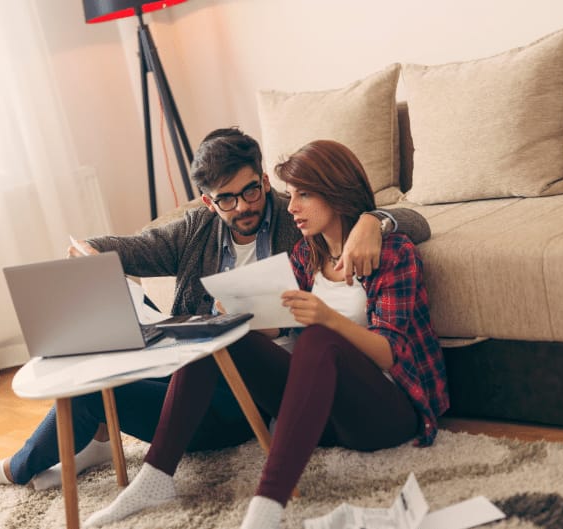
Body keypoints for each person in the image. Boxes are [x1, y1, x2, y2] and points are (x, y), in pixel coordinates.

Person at [0, 129, 431, 491]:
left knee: (230, 350)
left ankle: (104, 448)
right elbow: (127, 246)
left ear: (264, 181)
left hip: (262, 384)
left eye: (251, 191)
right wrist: (87, 252)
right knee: (93, 388)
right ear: (207, 200)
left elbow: (406, 218)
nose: (243, 206)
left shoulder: (295, 218)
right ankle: (19, 469)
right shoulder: (195, 230)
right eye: (226, 199)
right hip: (203, 374)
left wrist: (374, 219)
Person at [82, 139, 448, 529]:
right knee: (216, 332)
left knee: (317, 339)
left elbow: (393, 354)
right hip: (326, 417)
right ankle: (154, 479)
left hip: (386, 413)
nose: (291, 208)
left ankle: (266, 509)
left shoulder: (391, 253)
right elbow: (279, 327)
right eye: (290, 196)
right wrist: (244, 316)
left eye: (303, 195)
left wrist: (328, 317)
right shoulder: (306, 255)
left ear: (335, 191)